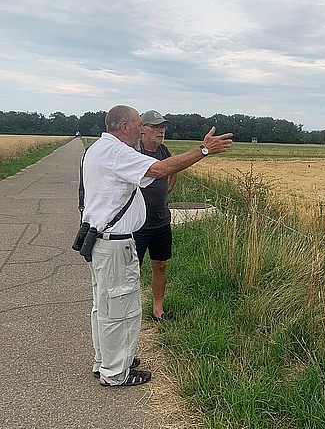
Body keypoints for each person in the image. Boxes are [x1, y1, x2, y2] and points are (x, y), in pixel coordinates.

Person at [82, 105, 232, 386]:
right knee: (121, 308)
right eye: (139, 123)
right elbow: (160, 169)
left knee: (103, 305)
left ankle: (106, 361)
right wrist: (203, 150)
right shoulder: (117, 152)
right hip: (115, 244)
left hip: (101, 242)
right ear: (125, 127)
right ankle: (115, 374)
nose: (142, 128)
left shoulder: (97, 148)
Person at [134, 110, 176, 322]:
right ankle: (130, 311)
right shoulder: (133, 152)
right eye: (156, 127)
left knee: (160, 265)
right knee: (132, 270)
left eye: (163, 127)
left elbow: (173, 168)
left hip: (161, 221)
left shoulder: (163, 151)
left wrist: (167, 190)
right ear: (142, 128)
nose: (161, 131)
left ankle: (158, 309)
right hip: (137, 224)